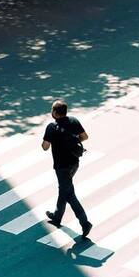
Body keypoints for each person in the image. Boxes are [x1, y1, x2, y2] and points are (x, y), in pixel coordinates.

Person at [42, 100, 93, 240]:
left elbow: (45, 147)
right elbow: (85, 137)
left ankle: (85, 222)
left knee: (69, 194)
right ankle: (57, 216)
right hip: (74, 163)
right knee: (64, 189)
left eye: (52, 110)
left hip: (61, 166)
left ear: (55, 113)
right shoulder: (73, 121)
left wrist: (53, 140)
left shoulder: (52, 127)